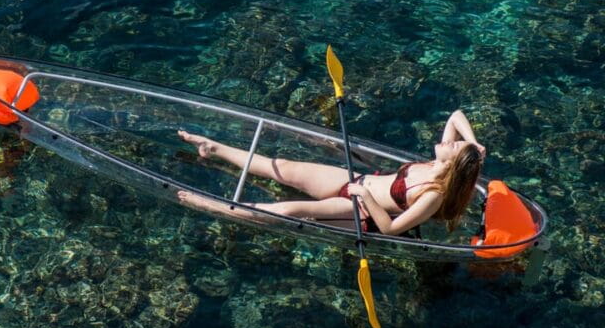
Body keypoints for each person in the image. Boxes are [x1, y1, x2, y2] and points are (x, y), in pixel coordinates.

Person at [177, 110, 485, 235]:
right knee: (282, 167)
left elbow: (391, 229)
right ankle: (213, 148)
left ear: (454, 162)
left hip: (359, 208)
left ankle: (215, 206)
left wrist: (364, 195)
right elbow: (456, 115)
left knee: (289, 210)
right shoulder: (438, 163)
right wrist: (473, 144)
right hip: (353, 181)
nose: (448, 141)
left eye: (454, 145)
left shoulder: (433, 194)